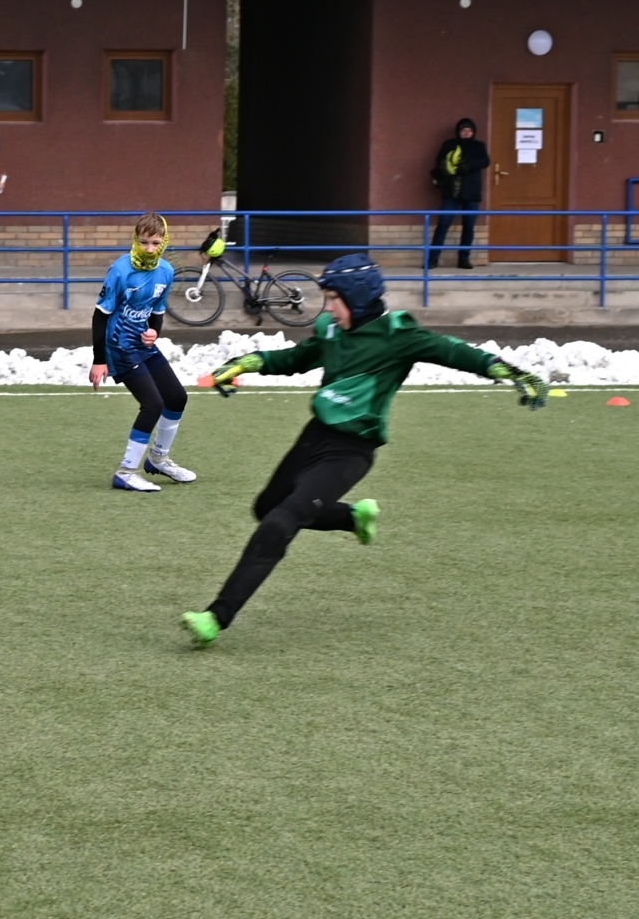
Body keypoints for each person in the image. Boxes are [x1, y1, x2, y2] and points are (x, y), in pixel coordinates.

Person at [181, 253, 546, 646]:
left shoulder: (398, 335)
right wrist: (246, 363)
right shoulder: (333, 331)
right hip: (314, 436)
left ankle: (215, 618)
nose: (328, 308)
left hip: (351, 451)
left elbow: (454, 351)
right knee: (266, 508)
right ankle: (353, 518)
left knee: (280, 522)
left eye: (334, 299)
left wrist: (508, 370)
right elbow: (296, 359)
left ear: (357, 299)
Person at [89, 212, 196, 491]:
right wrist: (99, 360)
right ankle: (126, 472)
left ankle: (158, 459)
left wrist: (154, 332)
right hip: (119, 347)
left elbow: (157, 311)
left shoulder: (166, 272)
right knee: (153, 404)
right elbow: (100, 315)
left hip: (143, 346)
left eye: (156, 243)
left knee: (177, 398)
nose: (149, 249)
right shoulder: (120, 270)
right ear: (136, 240)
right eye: (144, 242)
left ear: (164, 242)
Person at [429, 118, 490, 269]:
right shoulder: (449, 144)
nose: (466, 133)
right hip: (452, 192)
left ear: (473, 132)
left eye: (469, 131)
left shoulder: (478, 146)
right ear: (458, 132)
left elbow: (485, 161)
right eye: (463, 130)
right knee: (443, 224)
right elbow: (440, 161)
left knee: (468, 226)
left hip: (472, 193)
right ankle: (432, 259)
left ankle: (464, 259)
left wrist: (469, 165)